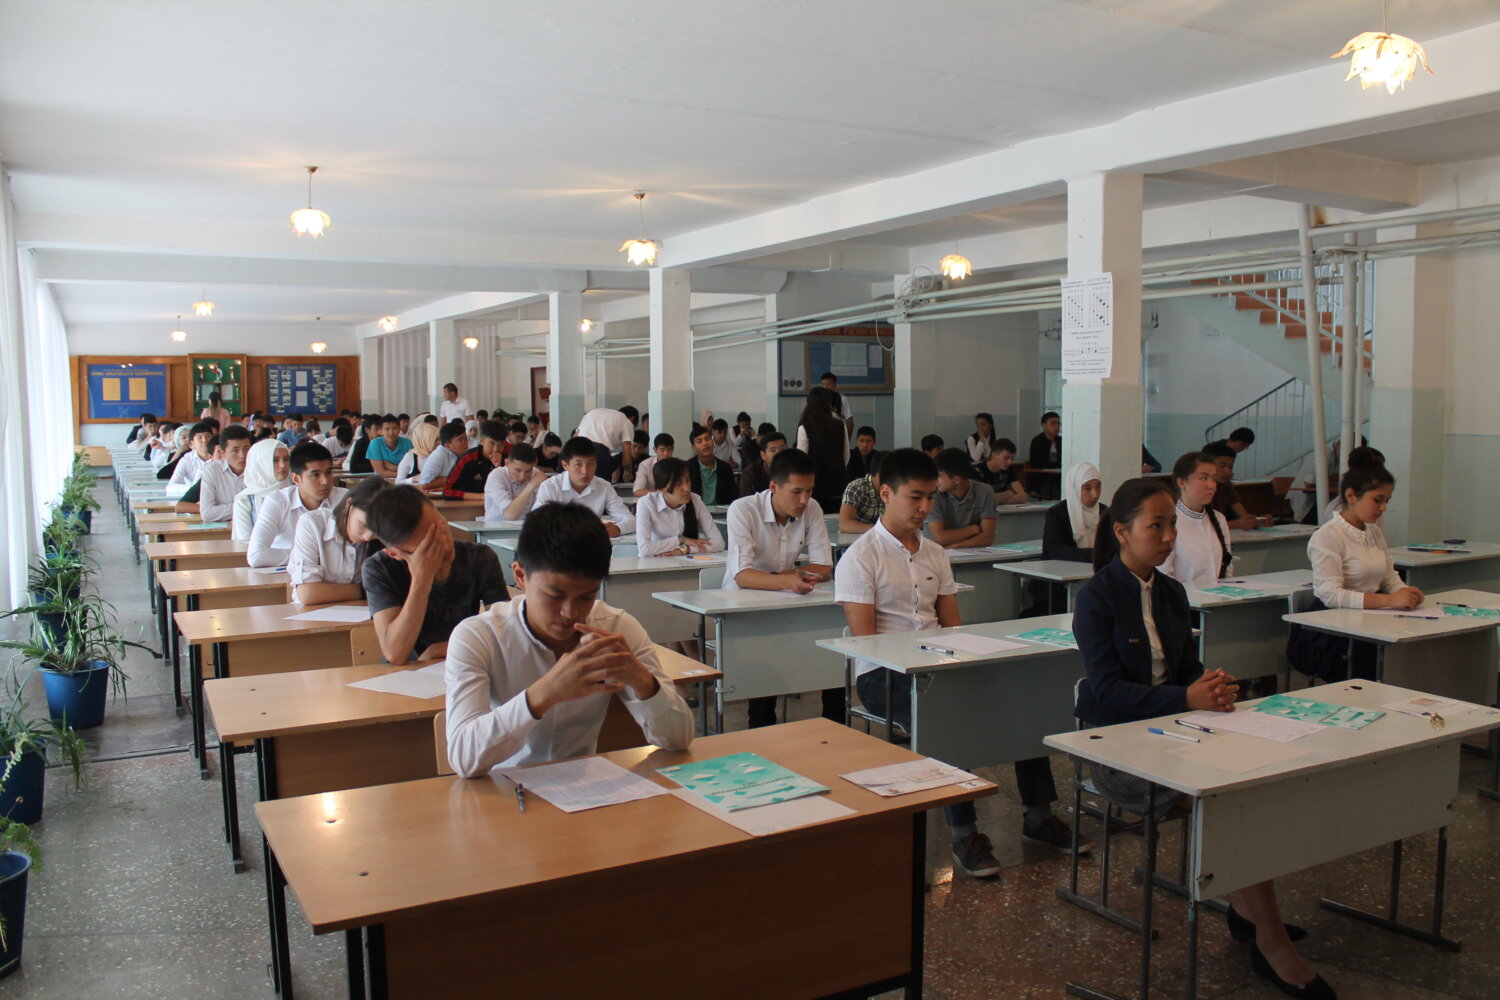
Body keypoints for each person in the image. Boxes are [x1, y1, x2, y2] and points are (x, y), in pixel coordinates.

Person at [1075, 478, 1330, 999]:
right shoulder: (1096, 598)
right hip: (1121, 751)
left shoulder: (1171, 591)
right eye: (1156, 526)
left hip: (1179, 731)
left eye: (1172, 525)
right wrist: (1185, 699)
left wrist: (1208, 686)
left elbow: (1185, 668)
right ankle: (1269, 937)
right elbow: (1107, 692)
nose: (1169, 537)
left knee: (1254, 781)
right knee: (1230, 798)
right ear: (1122, 532)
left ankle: (1247, 908)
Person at [839, 448, 1085, 869]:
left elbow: (953, 626)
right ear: (886, 493)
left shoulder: (935, 553)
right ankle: (964, 833)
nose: (925, 507)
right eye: (915, 497)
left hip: (938, 663)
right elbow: (867, 645)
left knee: (1022, 702)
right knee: (950, 713)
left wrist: (968, 659)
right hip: (884, 674)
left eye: (930, 497)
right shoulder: (861, 557)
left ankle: (1039, 816)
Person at [443, 502, 693, 776]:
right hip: (503, 789)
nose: (570, 612)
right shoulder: (478, 636)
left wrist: (642, 680)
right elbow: (464, 760)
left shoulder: (616, 627)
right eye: (555, 596)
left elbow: (679, 739)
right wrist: (544, 693)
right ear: (520, 576)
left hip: (583, 787)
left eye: (587, 596)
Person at [723, 448, 836, 727]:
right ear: (773, 487)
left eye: (809, 491)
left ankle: (835, 725)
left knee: (834, 652)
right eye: (796, 492)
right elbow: (743, 576)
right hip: (744, 607)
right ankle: (762, 731)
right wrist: (789, 579)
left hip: (790, 600)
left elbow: (824, 568)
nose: (804, 500)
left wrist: (784, 578)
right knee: (765, 665)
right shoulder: (743, 510)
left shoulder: (812, 508)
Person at [1294, 464, 1421, 684]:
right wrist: (1390, 600)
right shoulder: (1327, 536)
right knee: (1376, 665)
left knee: (1406, 650)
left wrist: (1405, 592)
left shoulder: (1374, 531)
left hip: (1369, 618)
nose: (1383, 508)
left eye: (1387, 501)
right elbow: (1331, 595)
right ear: (1351, 496)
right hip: (1333, 627)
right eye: (1377, 500)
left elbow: (1388, 576)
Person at [363, 485, 509, 664]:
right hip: (409, 672)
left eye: (441, 528)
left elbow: (505, 634)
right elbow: (395, 653)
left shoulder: (479, 557)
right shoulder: (379, 568)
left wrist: (448, 648)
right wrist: (421, 580)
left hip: (466, 661)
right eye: (428, 546)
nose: (445, 546)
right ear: (395, 553)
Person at [288, 476, 388, 605]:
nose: (368, 536)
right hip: (311, 613)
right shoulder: (312, 524)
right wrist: (365, 590)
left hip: (361, 612)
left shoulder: (386, 535)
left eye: (377, 530)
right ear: (348, 504)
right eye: (364, 524)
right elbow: (308, 593)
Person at [247, 442, 347, 569]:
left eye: (328, 473)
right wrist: (309, 555)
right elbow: (256, 556)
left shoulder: (345, 499)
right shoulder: (278, 502)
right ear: (296, 479)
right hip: (287, 572)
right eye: (315, 475)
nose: (325, 481)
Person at [530, 436, 636, 535]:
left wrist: (618, 528)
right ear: (565, 465)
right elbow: (536, 523)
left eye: (590, 463)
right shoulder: (550, 487)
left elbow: (631, 520)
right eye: (578, 464)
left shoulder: (604, 486)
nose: (585, 471)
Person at [1160, 452, 1233, 588]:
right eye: (1203, 478)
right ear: (1181, 483)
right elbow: (1164, 576)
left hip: (1217, 597)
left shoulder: (1218, 519)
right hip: (1183, 598)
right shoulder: (1167, 521)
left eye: (1214, 478)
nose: (1211, 485)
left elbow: (1228, 569)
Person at [635, 458, 725, 556]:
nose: (686, 488)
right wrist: (680, 540)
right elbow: (644, 548)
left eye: (688, 480)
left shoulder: (695, 501)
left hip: (686, 560)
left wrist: (685, 549)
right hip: (655, 559)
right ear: (661, 488)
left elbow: (719, 543)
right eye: (678, 484)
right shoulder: (646, 503)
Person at [927, 449, 996, 548]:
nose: (935, 480)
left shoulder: (985, 492)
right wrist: (972, 529)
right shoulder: (933, 494)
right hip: (936, 553)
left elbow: (988, 538)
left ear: (956, 480)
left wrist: (957, 545)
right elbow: (940, 538)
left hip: (969, 553)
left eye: (939, 476)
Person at [795, 385, 849, 514]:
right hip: (838, 483)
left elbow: (801, 460)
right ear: (828, 403)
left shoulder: (804, 427)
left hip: (814, 487)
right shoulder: (840, 425)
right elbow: (846, 456)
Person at [1043, 461, 1106, 563]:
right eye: (1087, 488)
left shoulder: (1105, 512)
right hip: (1061, 570)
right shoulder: (1056, 514)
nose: (1095, 495)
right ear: (1075, 488)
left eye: (1098, 487)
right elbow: (1056, 552)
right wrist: (1098, 555)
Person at [233, 439, 289, 542]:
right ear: (260, 463)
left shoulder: (297, 492)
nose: (283, 465)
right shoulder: (246, 500)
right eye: (275, 460)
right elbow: (246, 541)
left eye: (286, 459)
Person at [196, 424, 251, 524]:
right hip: (221, 529)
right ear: (222, 453)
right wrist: (247, 506)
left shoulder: (259, 470)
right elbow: (207, 513)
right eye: (235, 450)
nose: (242, 455)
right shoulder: (212, 470)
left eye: (246, 448)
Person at [441, 419, 507, 501]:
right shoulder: (467, 459)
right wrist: (482, 496)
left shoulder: (508, 459)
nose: (496, 449)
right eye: (491, 443)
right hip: (470, 506)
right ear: (481, 441)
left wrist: (499, 468)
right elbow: (447, 492)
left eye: (500, 444)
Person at [1203, 441, 1263, 530]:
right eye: (1222, 466)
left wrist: (1257, 522)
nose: (1228, 472)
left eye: (1230, 467)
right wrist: (1236, 524)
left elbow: (1243, 516)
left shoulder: (1226, 485)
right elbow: (1200, 526)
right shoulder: (1195, 488)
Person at [484, 442, 547, 522]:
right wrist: (531, 486)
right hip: (496, 528)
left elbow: (541, 512)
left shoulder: (536, 475)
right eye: (518, 470)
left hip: (527, 528)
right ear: (507, 463)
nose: (523, 476)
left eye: (528, 471)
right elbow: (510, 515)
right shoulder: (496, 476)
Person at [575, 405, 639, 481]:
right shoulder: (627, 422)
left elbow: (575, 436)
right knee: (601, 486)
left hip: (577, 449)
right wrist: (629, 472)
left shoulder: (592, 413)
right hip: (599, 453)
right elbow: (626, 460)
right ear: (632, 418)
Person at [686, 424, 738, 508]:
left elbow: (733, 496)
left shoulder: (725, 467)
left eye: (707, 439)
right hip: (696, 512)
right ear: (693, 448)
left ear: (713, 442)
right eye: (699, 441)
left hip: (721, 512)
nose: (705, 443)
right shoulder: (687, 468)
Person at [417, 421, 470, 493]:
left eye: (466, 439)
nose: (465, 443)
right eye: (460, 440)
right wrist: (455, 478)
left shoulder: (466, 454)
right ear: (447, 445)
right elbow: (424, 484)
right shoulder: (438, 455)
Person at [972, 438, 1028, 505]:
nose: (1010, 462)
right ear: (994, 455)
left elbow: (1023, 497)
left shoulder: (1008, 469)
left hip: (1001, 509)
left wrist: (996, 500)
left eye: (1012, 459)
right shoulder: (978, 471)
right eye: (1006, 458)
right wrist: (1008, 493)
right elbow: (979, 500)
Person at [838, 454, 884, 535]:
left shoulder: (895, 490)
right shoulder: (856, 488)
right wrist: (881, 530)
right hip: (854, 539)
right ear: (876, 473)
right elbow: (844, 525)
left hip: (882, 539)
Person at [738, 431, 786, 497]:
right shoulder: (750, 474)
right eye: (773, 450)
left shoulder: (793, 470)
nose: (778, 453)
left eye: (782, 449)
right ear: (763, 455)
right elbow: (747, 501)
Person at [168, 421, 215, 487]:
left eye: (208, 436)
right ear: (191, 444)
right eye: (199, 438)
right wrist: (192, 489)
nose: (204, 440)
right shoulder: (187, 460)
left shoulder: (221, 457)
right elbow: (171, 486)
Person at [1027, 411, 1062, 498]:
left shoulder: (1061, 441)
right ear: (1044, 425)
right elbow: (1037, 464)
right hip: (1042, 478)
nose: (1056, 426)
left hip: (1058, 476)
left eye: (1058, 423)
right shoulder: (1037, 441)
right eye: (1053, 423)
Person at [633, 433, 674, 497]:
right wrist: (661, 494)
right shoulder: (645, 465)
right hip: (652, 500)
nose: (666, 454)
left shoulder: (678, 466)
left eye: (669, 450)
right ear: (655, 450)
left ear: (673, 449)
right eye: (662, 450)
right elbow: (637, 491)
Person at [819, 371, 854, 436]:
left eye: (829, 384)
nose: (825, 387)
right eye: (823, 384)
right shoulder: (817, 399)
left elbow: (849, 421)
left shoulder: (842, 399)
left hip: (838, 434)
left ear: (835, 385)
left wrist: (847, 440)